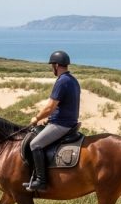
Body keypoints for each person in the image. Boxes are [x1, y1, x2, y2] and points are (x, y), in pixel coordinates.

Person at [23, 50, 81, 193]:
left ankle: (41, 181)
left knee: (35, 144)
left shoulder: (62, 81)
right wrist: (49, 119)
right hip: (67, 121)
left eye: (52, 66)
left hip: (62, 125)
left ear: (56, 65)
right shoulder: (73, 80)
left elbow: (50, 106)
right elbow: (65, 105)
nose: (51, 69)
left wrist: (36, 118)